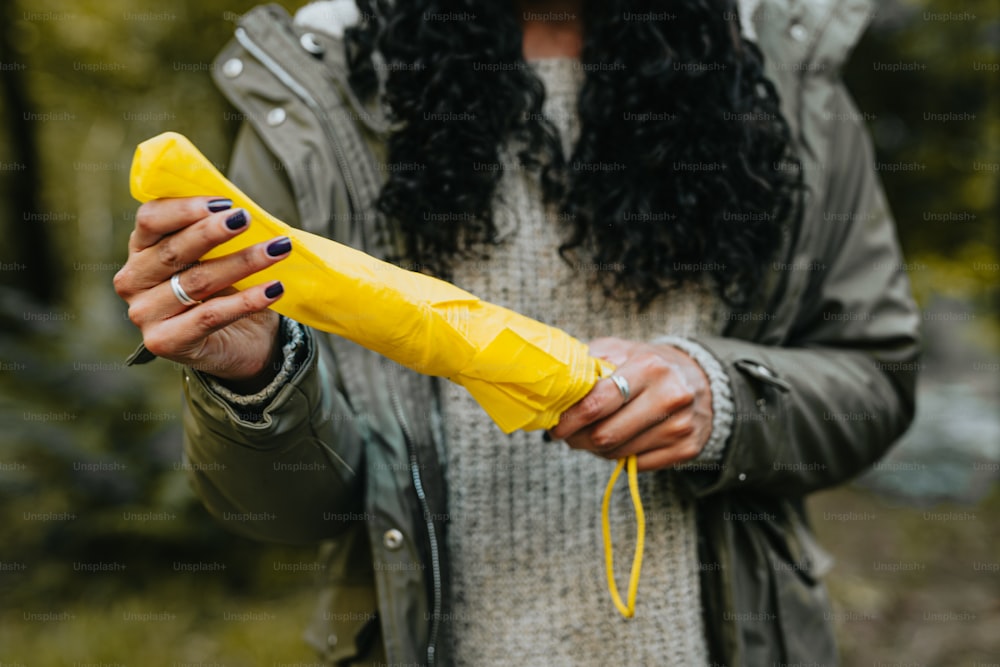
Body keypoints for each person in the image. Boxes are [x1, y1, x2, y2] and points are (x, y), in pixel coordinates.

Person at [113, 0, 921, 664]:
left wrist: (728, 399)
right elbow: (285, 517)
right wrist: (257, 376)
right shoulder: (321, 98)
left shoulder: (779, 67)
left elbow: (876, 376)